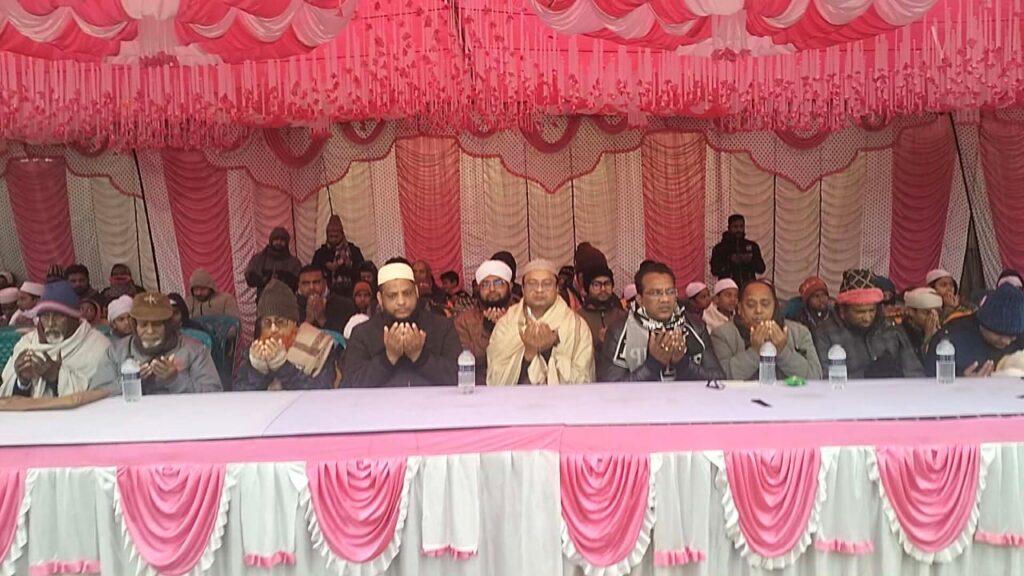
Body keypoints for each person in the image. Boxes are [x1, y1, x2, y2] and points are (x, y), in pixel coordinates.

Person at [342, 262, 461, 387]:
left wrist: (421, 357)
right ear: (380, 299)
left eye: (407, 293)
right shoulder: (362, 334)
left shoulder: (442, 327)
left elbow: (460, 376)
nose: (401, 301)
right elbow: (350, 384)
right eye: (392, 296)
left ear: (416, 292)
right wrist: (388, 358)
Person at [601, 262, 723, 382]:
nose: (665, 299)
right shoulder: (619, 331)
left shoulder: (695, 327)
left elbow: (718, 379)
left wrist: (682, 364)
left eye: (670, 292)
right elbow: (610, 388)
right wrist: (653, 365)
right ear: (640, 299)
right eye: (655, 293)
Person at [0, 281, 115, 398]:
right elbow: (7, 396)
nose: (50, 323)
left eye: (58, 316)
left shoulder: (98, 346)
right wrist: (23, 382)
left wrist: (57, 378)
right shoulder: (26, 343)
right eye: (45, 316)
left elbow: (102, 395)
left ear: (74, 319)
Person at [487, 259, 594, 385]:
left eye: (547, 284)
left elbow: (583, 379)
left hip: (561, 398)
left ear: (557, 288)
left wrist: (546, 353)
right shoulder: (506, 324)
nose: (539, 290)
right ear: (522, 289)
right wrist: (527, 355)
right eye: (532, 284)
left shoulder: (576, 326)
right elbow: (495, 379)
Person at [812, 270, 924, 379]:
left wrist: (899, 374)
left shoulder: (891, 329)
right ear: (842, 310)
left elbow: (916, 373)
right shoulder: (824, 333)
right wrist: (865, 375)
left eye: (871, 310)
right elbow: (823, 378)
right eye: (860, 312)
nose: (867, 318)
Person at [106, 292, 222, 394]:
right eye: (143, 325)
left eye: (156, 324)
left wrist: (175, 380)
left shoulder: (195, 350)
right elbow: (101, 391)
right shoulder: (117, 351)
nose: (150, 331)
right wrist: (129, 382)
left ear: (168, 325)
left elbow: (214, 392)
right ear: (135, 326)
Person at [235, 279, 337, 391]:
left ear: (294, 324)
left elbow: (323, 391)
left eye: (281, 322)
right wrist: (258, 372)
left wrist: (283, 367)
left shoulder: (320, 346)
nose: (273, 329)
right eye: (267, 323)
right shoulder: (253, 352)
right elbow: (238, 393)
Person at [711, 280, 821, 381]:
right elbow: (723, 377)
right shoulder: (722, 334)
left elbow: (815, 376)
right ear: (739, 308)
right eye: (751, 305)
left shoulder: (799, 332)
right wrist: (755, 351)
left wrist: (782, 351)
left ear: (775, 306)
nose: (758, 310)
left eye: (765, 304)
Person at [925, 284, 1024, 377]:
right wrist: (963, 384)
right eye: (999, 334)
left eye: (1012, 336)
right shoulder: (949, 340)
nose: (1006, 341)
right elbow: (931, 383)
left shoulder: (1020, 339)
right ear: (983, 323)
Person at [454, 260, 514, 385]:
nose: (492, 289)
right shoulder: (464, 320)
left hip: (518, 386)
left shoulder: (521, 315)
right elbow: (466, 361)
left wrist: (504, 327)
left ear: (510, 286)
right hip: (480, 387)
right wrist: (487, 330)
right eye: (485, 284)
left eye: (498, 283)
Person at [311, 215, 365, 297]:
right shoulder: (320, 253)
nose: (333, 239)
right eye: (331, 236)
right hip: (328, 295)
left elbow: (362, 271)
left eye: (336, 236)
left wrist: (348, 267)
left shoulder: (353, 251)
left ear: (342, 234)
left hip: (352, 293)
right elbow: (313, 274)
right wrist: (327, 268)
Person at [577, 264, 627, 353]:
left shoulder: (622, 317)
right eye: (597, 285)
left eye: (607, 284)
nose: (603, 289)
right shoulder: (578, 318)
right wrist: (600, 344)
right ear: (587, 288)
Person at [296, 265, 356, 334]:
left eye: (316, 282)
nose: (311, 287)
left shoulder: (345, 305)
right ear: (299, 285)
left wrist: (322, 319)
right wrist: (308, 321)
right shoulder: (291, 306)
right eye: (306, 283)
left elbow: (347, 336)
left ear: (324, 283)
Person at [710, 214, 766, 287]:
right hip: (728, 287)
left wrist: (750, 261)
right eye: (735, 227)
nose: (739, 230)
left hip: (747, 287)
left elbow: (761, 269)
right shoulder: (720, 248)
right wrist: (730, 260)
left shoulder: (752, 246)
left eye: (741, 226)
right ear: (729, 228)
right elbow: (714, 271)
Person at [245, 227, 303, 294]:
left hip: (286, 298)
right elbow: (250, 280)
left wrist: (281, 280)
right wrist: (266, 280)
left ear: (287, 242)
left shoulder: (294, 262)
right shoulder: (259, 259)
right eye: (276, 239)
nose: (279, 242)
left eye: (282, 240)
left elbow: (298, 284)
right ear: (271, 240)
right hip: (264, 298)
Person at [903, 287, 943, 360]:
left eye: (937, 312)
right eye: (927, 312)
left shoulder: (943, 327)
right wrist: (928, 338)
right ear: (911, 312)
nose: (934, 317)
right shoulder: (900, 335)